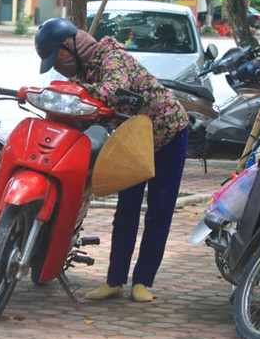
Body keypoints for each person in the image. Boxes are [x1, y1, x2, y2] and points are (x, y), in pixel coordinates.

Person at [35, 17, 189, 303]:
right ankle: (115, 280)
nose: (59, 65)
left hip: (168, 134)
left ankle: (143, 281)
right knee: (126, 210)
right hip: (131, 142)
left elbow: (112, 90)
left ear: (71, 47)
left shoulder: (111, 57)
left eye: (59, 58)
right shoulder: (80, 76)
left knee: (159, 209)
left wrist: (73, 94)